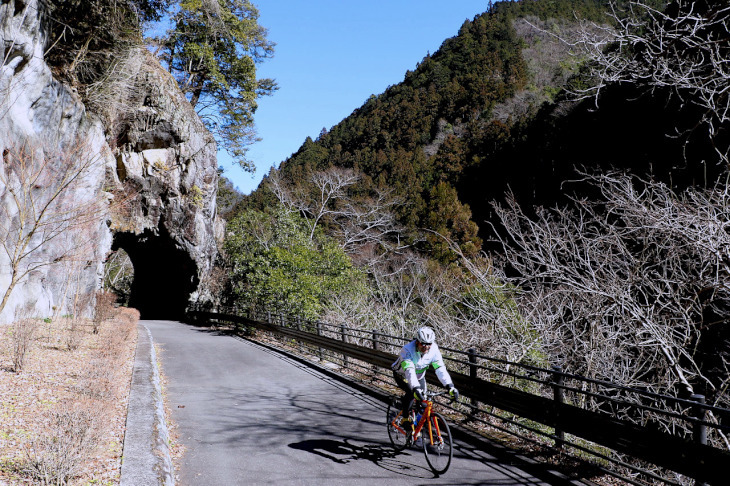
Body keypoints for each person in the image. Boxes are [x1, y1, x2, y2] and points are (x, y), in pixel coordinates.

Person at [391, 326, 459, 434]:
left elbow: (440, 369)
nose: (426, 347)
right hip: (402, 376)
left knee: (423, 403)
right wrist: (416, 388)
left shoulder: (434, 349)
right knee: (411, 393)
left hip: (419, 377)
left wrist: (449, 386)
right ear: (417, 341)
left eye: (429, 344)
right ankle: (405, 418)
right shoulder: (407, 350)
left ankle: (417, 424)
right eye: (423, 343)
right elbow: (409, 371)